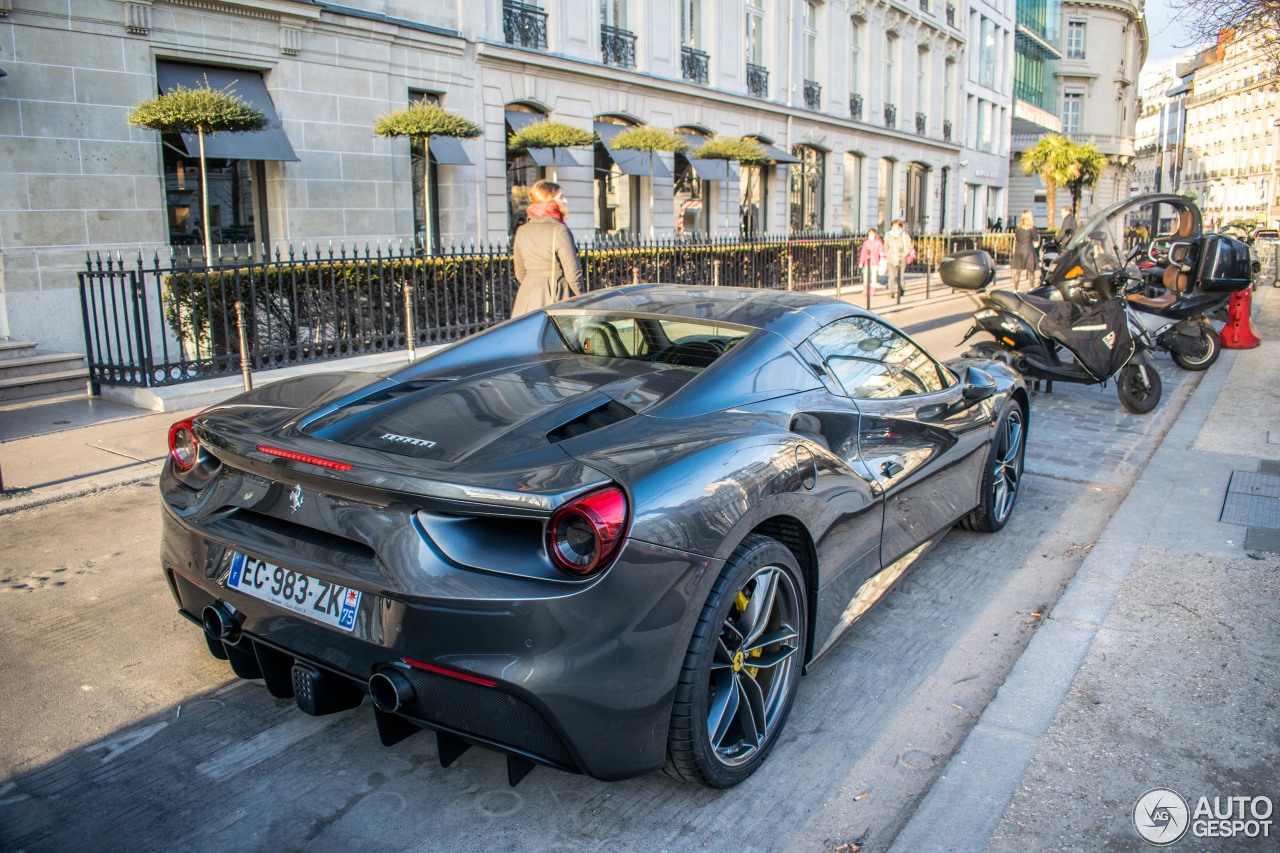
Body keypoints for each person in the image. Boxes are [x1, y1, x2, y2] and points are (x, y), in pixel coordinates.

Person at [512, 180, 583, 316]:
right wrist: (583, 297)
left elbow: (520, 272)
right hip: (557, 297)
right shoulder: (559, 230)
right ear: (549, 201)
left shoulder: (522, 230)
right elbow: (573, 275)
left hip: (526, 298)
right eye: (561, 197)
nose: (565, 201)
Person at [883, 219, 915, 299]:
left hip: (901, 259)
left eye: (897, 227)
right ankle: (891, 292)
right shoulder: (888, 235)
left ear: (900, 227)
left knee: (900, 276)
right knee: (891, 276)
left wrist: (904, 254)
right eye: (893, 227)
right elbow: (886, 246)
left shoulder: (904, 235)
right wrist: (887, 253)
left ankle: (901, 289)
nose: (895, 228)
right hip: (891, 258)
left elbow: (909, 247)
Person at [1011, 209, 1040, 292]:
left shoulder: (1019, 227)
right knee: (1031, 270)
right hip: (1028, 248)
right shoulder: (1032, 227)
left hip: (1019, 248)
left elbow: (1016, 237)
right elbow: (1035, 238)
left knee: (1018, 271)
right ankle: (1031, 287)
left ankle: (1016, 288)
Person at [857, 228, 885, 293]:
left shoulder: (878, 242)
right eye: (870, 234)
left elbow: (881, 251)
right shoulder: (866, 242)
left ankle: (873, 289)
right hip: (867, 262)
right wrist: (861, 262)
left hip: (875, 261)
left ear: (875, 235)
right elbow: (863, 252)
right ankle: (865, 289)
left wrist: (882, 257)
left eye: (872, 234)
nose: (871, 236)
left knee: (873, 276)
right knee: (866, 276)